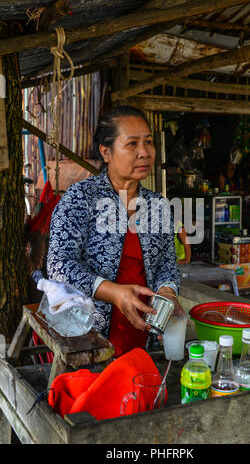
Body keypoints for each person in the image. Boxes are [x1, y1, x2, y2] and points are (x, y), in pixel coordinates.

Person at [47, 105, 183, 357]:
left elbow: (167, 262)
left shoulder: (158, 205)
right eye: (132, 144)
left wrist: (167, 290)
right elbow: (59, 265)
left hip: (143, 332)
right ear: (106, 152)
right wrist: (113, 292)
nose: (144, 153)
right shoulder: (80, 198)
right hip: (88, 335)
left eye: (149, 142)